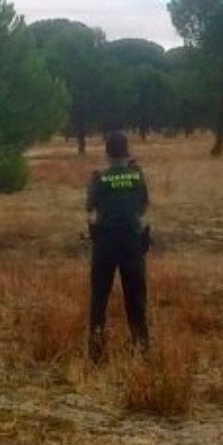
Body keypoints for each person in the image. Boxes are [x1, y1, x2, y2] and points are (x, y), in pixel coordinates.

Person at [85, 131, 150, 363]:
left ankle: (95, 350)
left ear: (107, 152)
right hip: (132, 242)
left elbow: (89, 207)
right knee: (135, 297)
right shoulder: (136, 176)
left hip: (104, 243)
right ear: (127, 151)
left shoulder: (99, 178)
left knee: (99, 296)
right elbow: (142, 209)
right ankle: (141, 345)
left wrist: (92, 184)